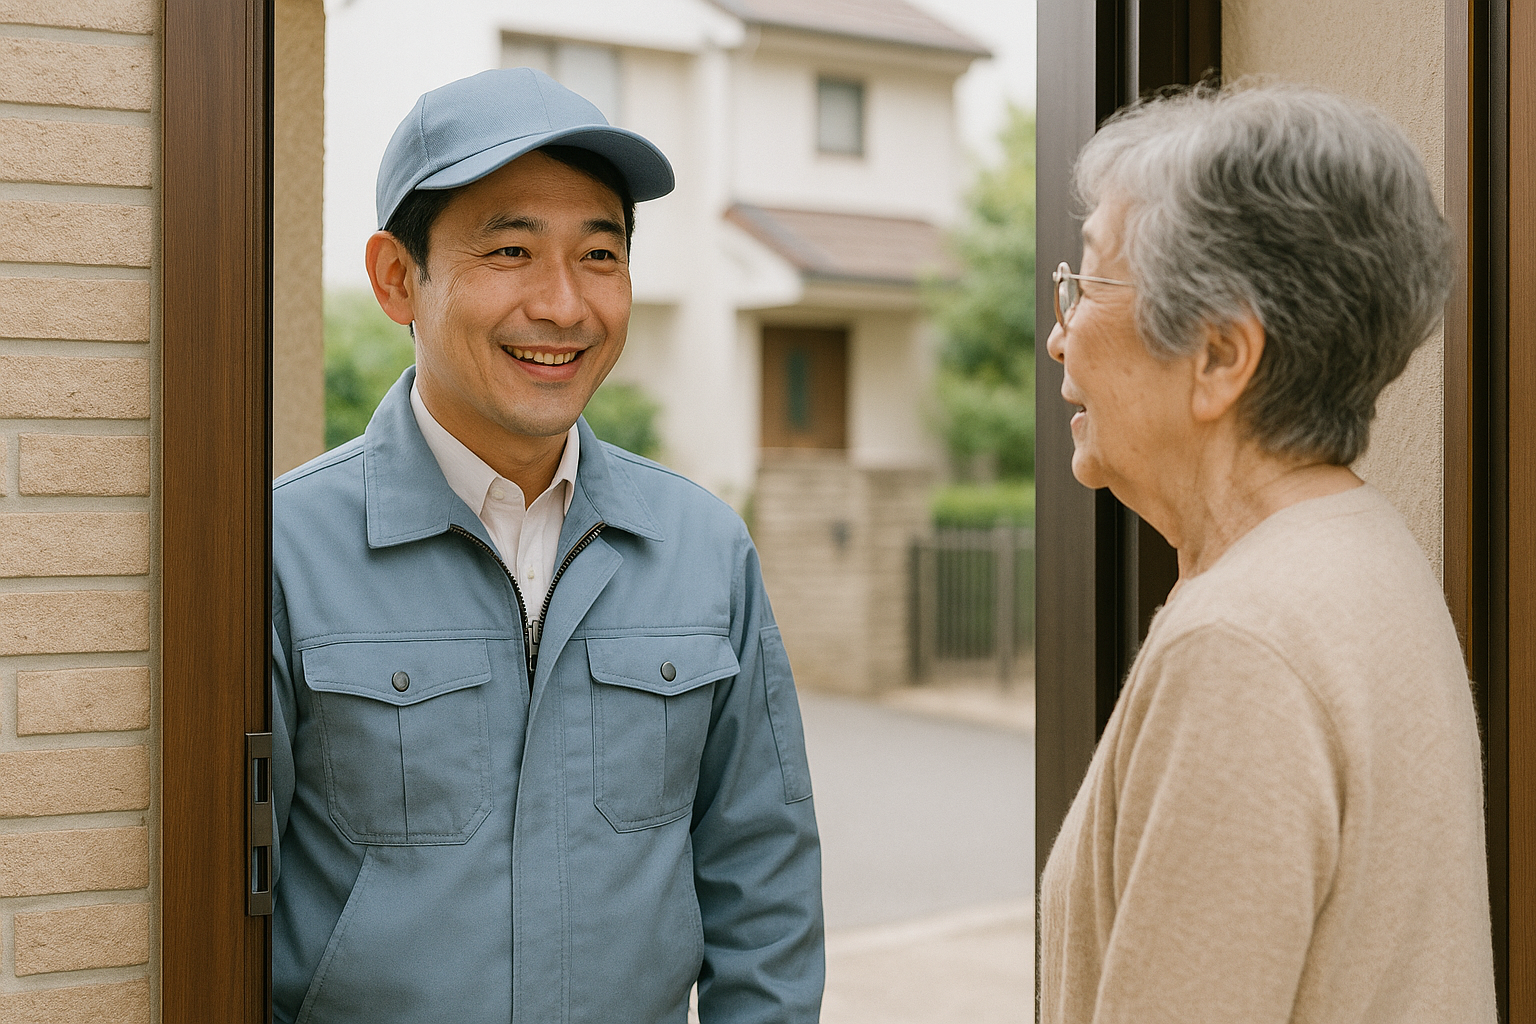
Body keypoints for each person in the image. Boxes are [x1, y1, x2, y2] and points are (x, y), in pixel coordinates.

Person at [269, 68, 823, 1024]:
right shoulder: (284, 551)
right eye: (511, 250)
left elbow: (761, 884)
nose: (565, 305)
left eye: (600, 254)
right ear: (398, 277)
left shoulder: (702, 547)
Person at [1038, 84, 1497, 1022]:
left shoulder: (1243, 645)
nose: (1059, 334)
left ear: (1219, 357)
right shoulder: (1364, 554)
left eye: (1085, 283)